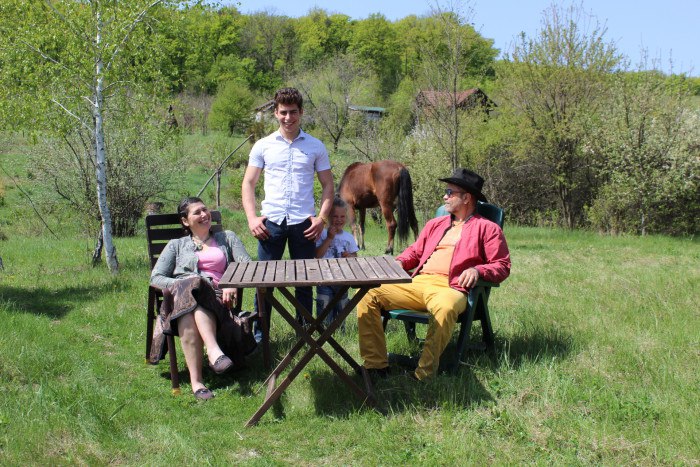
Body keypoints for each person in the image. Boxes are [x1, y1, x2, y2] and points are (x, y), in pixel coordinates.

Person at [357, 168, 511, 381]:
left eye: (450, 192)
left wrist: (478, 270)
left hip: (450, 287)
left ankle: (424, 374)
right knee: (367, 294)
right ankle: (376, 366)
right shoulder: (435, 224)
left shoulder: (487, 229)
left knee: (445, 307)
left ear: (466, 197)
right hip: (418, 282)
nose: (444, 196)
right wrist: (398, 262)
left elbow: (502, 265)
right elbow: (415, 252)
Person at [242, 87, 334, 338]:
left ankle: (303, 335)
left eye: (293, 112)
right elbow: (248, 183)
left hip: (304, 223)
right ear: (275, 113)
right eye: (283, 112)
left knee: (304, 282)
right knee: (263, 283)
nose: (288, 118)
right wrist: (251, 218)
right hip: (271, 222)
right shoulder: (263, 146)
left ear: (301, 113)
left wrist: (322, 219)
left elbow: (328, 185)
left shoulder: (316, 146)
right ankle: (260, 339)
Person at [150, 197, 252, 400]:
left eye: (205, 210)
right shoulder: (176, 245)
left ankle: (197, 380)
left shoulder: (227, 238)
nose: (204, 215)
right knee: (192, 289)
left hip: (216, 299)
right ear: (185, 221)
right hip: (181, 301)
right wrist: (185, 284)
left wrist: (231, 283)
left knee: (194, 301)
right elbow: (156, 277)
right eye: (197, 212)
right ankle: (212, 356)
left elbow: (247, 267)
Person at [315, 196, 360, 330]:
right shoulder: (322, 234)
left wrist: (349, 256)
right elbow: (317, 256)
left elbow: (355, 257)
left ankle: (341, 332)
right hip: (324, 279)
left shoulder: (348, 237)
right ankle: (323, 332)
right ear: (328, 216)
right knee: (324, 308)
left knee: (342, 308)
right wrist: (329, 238)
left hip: (342, 280)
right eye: (335, 216)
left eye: (342, 216)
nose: (339, 220)